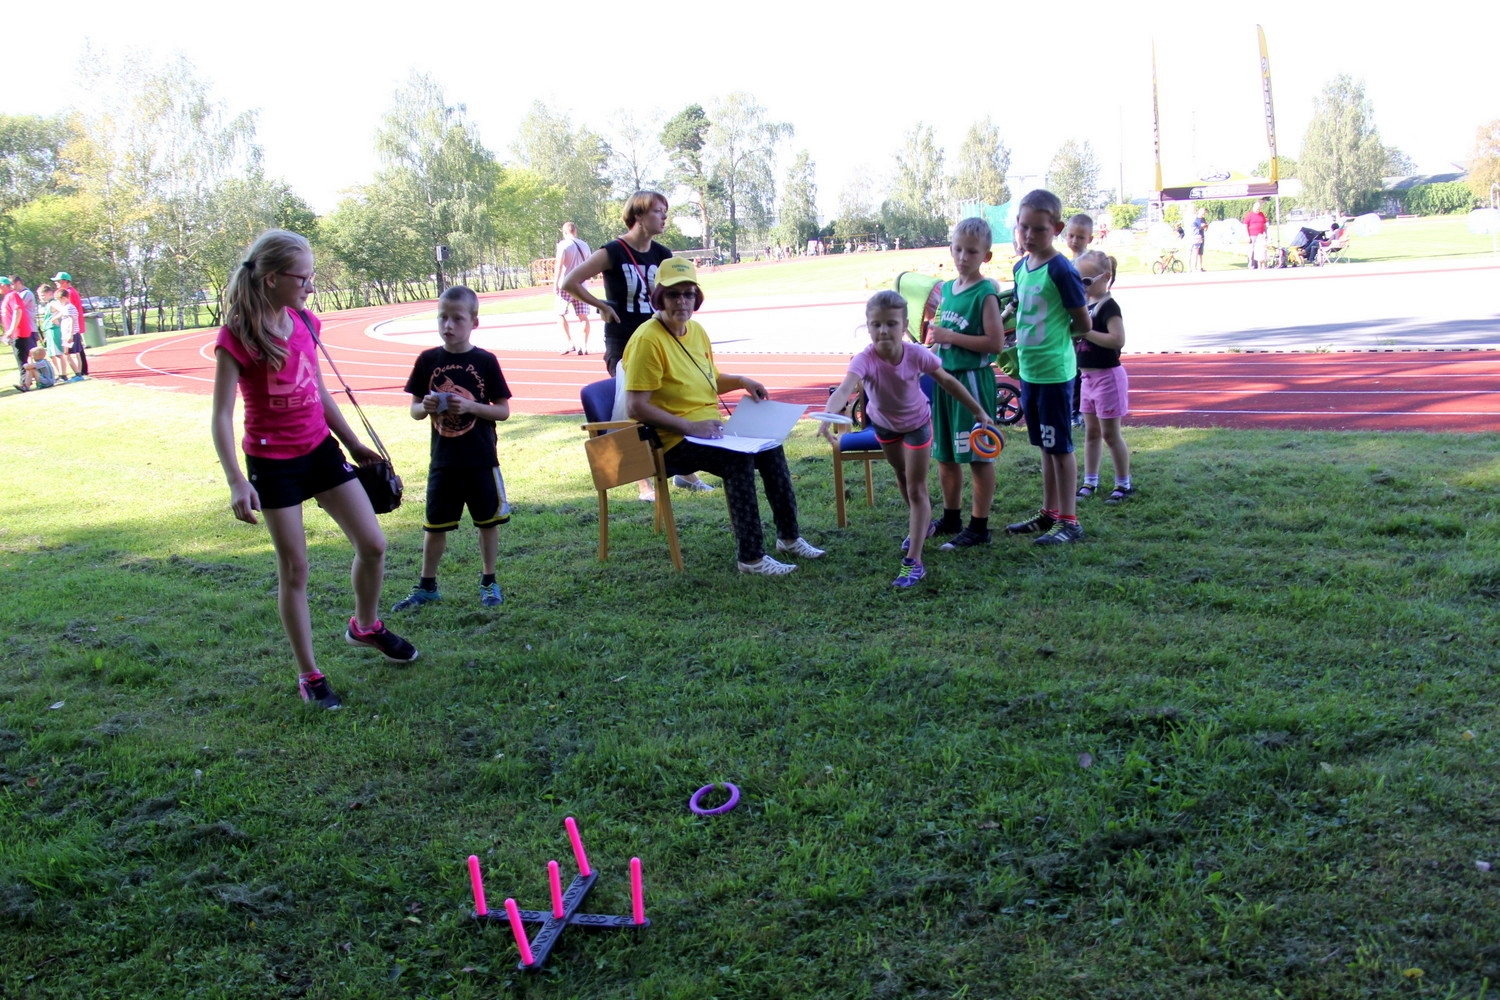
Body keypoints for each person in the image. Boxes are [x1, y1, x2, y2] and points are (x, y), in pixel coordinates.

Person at [210, 229, 417, 711]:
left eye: (312, 277)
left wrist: (353, 443)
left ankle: (364, 625)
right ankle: (309, 674)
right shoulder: (237, 335)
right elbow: (221, 415)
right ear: (271, 278)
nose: (310, 286)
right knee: (295, 569)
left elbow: (317, 390)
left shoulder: (306, 321)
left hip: (320, 451)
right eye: (303, 277)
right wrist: (237, 480)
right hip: (272, 463)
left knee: (373, 544)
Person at [622, 257, 824, 576]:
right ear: (659, 296)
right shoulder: (648, 340)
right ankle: (752, 558)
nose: (682, 301)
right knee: (737, 461)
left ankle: (789, 537)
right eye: (674, 294)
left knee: (771, 446)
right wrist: (690, 426)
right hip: (670, 440)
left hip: (708, 432)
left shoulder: (697, 331)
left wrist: (742, 381)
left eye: (689, 294)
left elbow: (710, 378)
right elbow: (636, 407)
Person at [822, 290, 997, 588]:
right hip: (884, 426)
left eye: (891, 323)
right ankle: (922, 525)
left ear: (903, 326)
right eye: (876, 324)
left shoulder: (916, 355)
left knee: (917, 489)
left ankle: (914, 561)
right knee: (902, 478)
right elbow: (844, 388)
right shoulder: (865, 358)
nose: (883, 331)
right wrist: (829, 414)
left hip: (917, 424)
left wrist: (979, 411)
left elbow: (949, 382)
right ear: (868, 326)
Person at [560, 190, 712, 497]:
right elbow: (570, 282)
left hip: (660, 341)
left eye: (665, 212)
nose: (664, 217)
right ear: (638, 215)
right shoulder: (613, 251)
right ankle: (644, 482)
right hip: (624, 341)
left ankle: (685, 472)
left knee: (674, 398)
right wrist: (601, 305)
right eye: (658, 211)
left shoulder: (663, 254)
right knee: (632, 409)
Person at [391, 285, 513, 613]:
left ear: (474, 322)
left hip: (480, 458)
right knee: (434, 526)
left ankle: (489, 581)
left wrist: (471, 407)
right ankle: (426, 586)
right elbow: (415, 410)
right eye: (442, 317)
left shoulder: (485, 361)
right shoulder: (428, 360)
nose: (448, 325)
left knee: (487, 523)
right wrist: (427, 406)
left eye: (457, 318)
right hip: (443, 460)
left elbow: (502, 411)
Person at [1002, 189, 1091, 545]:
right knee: (1044, 444)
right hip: (1030, 372)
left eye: (1038, 229)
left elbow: (1082, 324)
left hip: (1054, 372)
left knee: (1060, 447)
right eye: (1023, 227)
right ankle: (1050, 511)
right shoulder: (1021, 267)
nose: (1028, 236)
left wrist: (1055, 340)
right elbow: (1021, 310)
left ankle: (1069, 521)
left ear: (1055, 228)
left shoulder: (1061, 269)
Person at [925, 217, 1005, 550]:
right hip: (945, 381)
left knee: (977, 455)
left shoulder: (985, 293)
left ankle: (979, 525)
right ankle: (952, 516)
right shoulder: (946, 289)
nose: (962, 257)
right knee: (945, 453)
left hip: (972, 380)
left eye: (971, 252)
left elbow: (995, 344)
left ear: (985, 256)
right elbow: (940, 336)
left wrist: (950, 336)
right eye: (958, 249)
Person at [1072, 251, 1133, 505]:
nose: (1081, 287)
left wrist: (1086, 333)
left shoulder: (1108, 306)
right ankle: (1090, 481)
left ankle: (1123, 484)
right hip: (1087, 379)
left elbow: (1118, 340)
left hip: (1108, 378)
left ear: (1105, 277)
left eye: (1086, 281)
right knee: (1092, 433)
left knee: (1110, 434)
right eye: (1078, 281)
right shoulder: (1085, 306)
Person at [553, 222, 593, 355]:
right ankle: (584, 345)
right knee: (583, 316)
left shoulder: (563, 245)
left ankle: (569, 342)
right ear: (575, 231)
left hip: (566, 284)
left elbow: (559, 264)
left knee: (560, 313)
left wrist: (555, 283)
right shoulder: (585, 245)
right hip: (581, 285)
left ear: (564, 232)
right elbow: (589, 264)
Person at [2, 276, 37, 377]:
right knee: (24, 359)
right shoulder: (9, 297)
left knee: (30, 357)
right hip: (17, 332)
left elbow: (18, 310)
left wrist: (11, 330)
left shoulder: (18, 295)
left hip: (24, 331)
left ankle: (32, 380)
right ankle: (27, 381)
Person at [49, 287, 82, 381]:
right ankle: (78, 373)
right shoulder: (68, 308)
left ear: (64, 298)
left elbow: (71, 320)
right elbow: (62, 313)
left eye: (59, 301)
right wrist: (54, 318)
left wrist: (70, 334)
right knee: (75, 353)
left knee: (67, 353)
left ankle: (77, 374)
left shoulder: (69, 307)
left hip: (69, 335)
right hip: (71, 334)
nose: (58, 303)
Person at [1243, 199, 1268, 270]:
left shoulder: (1261, 214)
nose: (1258, 210)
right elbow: (1245, 225)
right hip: (1252, 235)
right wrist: (1247, 236)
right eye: (1257, 209)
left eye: (1259, 209)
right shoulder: (1249, 215)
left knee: (1261, 250)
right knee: (1252, 250)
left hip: (1260, 236)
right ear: (1254, 208)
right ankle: (1251, 265)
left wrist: (1265, 233)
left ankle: (1259, 264)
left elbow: (1264, 224)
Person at [1187, 207, 1207, 272]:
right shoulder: (1194, 218)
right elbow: (1197, 226)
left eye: (1204, 213)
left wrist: (1205, 226)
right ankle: (1192, 268)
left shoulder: (1202, 219)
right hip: (1194, 237)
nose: (1203, 214)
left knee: (1200, 253)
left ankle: (1199, 267)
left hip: (1200, 237)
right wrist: (1202, 226)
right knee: (1193, 253)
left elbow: (1204, 228)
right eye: (1203, 212)